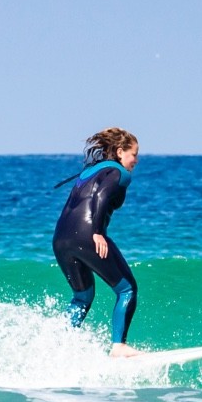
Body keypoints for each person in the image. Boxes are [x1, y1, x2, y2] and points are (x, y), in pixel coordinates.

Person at [52, 127, 140, 356]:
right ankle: (119, 346)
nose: (136, 161)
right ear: (120, 152)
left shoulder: (90, 171)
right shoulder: (119, 172)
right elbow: (101, 196)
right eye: (134, 154)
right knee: (127, 290)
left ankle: (58, 345)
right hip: (88, 234)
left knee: (82, 297)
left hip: (61, 239)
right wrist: (98, 232)